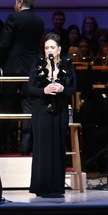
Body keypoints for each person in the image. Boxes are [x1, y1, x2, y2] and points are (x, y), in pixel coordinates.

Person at [27, 33, 76, 198]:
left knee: (58, 145)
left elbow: (73, 88)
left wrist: (63, 89)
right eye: (47, 47)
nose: (49, 50)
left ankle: (56, 187)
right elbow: (30, 88)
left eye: (52, 47)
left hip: (60, 110)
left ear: (59, 49)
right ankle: (42, 186)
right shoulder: (37, 65)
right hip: (41, 110)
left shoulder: (68, 66)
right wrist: (44, 90)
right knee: (42, 147)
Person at [0, 0, 45, 155]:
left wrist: (0, 64)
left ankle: (1, 146)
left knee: (6, 105)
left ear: (20, 3)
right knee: (28, 107)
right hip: (32, 67)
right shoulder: (39, 21)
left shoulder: (14, 18)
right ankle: (26, 148)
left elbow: (5, 42)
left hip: (13, 66)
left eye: (15, 2)